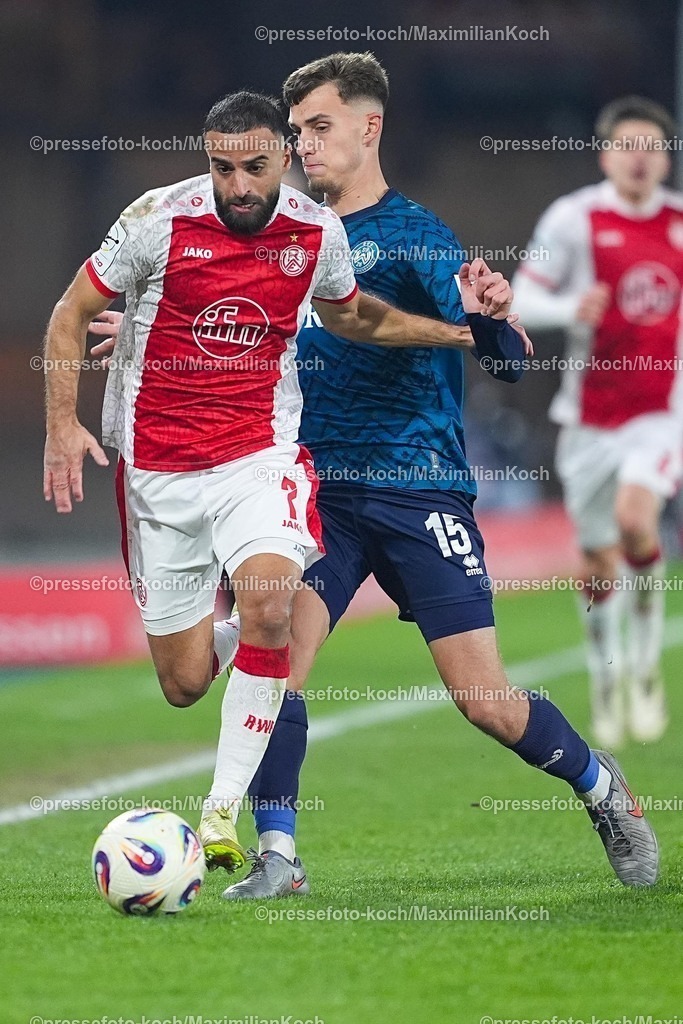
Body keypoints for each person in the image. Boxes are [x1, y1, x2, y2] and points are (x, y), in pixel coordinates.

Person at [44, 88, 514, 875]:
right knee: (186, 682)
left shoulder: (314, 230)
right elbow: (69, 310)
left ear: (282, 160)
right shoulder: (158, 218)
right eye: (222, 168)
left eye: (253, 167)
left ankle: (224, 817)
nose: (237, 186)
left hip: (259, 459)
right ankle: (226, 648)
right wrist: (64, 425)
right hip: (158, 471)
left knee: (269, 599)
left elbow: (353, 315)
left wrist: (457, 331)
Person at [513, 96, 683, 748]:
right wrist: (566, 309)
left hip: (660, 413)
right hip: (587, 415)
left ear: (664, 157)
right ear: (605, 152)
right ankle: (605, 675)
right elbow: (524, 296)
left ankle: (643, 666)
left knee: (637, 521)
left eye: (651, 146)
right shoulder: (573, 218)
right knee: (593, 558)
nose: (638, 158)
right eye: (626, 145)